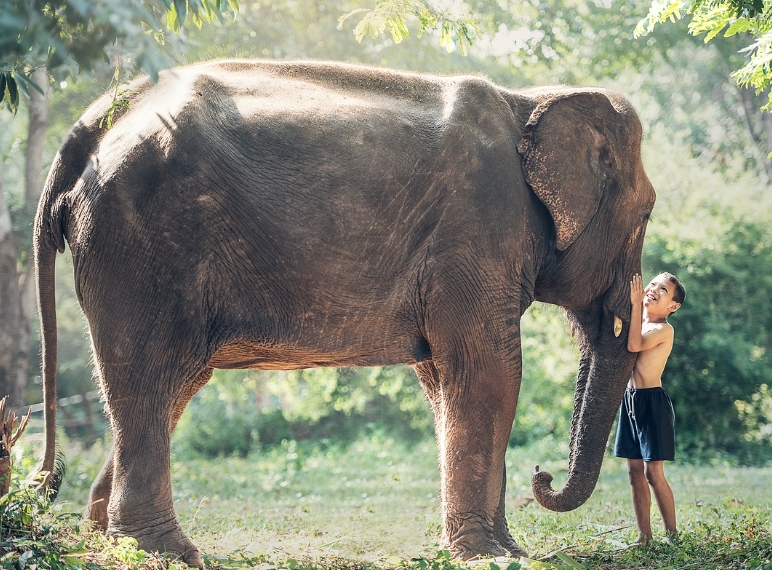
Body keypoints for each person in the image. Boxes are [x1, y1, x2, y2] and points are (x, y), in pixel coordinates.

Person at [614, 272, 685, 544]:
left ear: (673, 306)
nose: (653, 289)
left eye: (663, 290)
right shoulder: (640, 322)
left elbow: (634, 345)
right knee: (634, 473)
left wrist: (634, 304)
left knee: (653, 473)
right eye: (653, 284)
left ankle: (673, 535)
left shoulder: (663, 329)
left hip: (652, 404)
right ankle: (644, 536)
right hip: (630, 401)